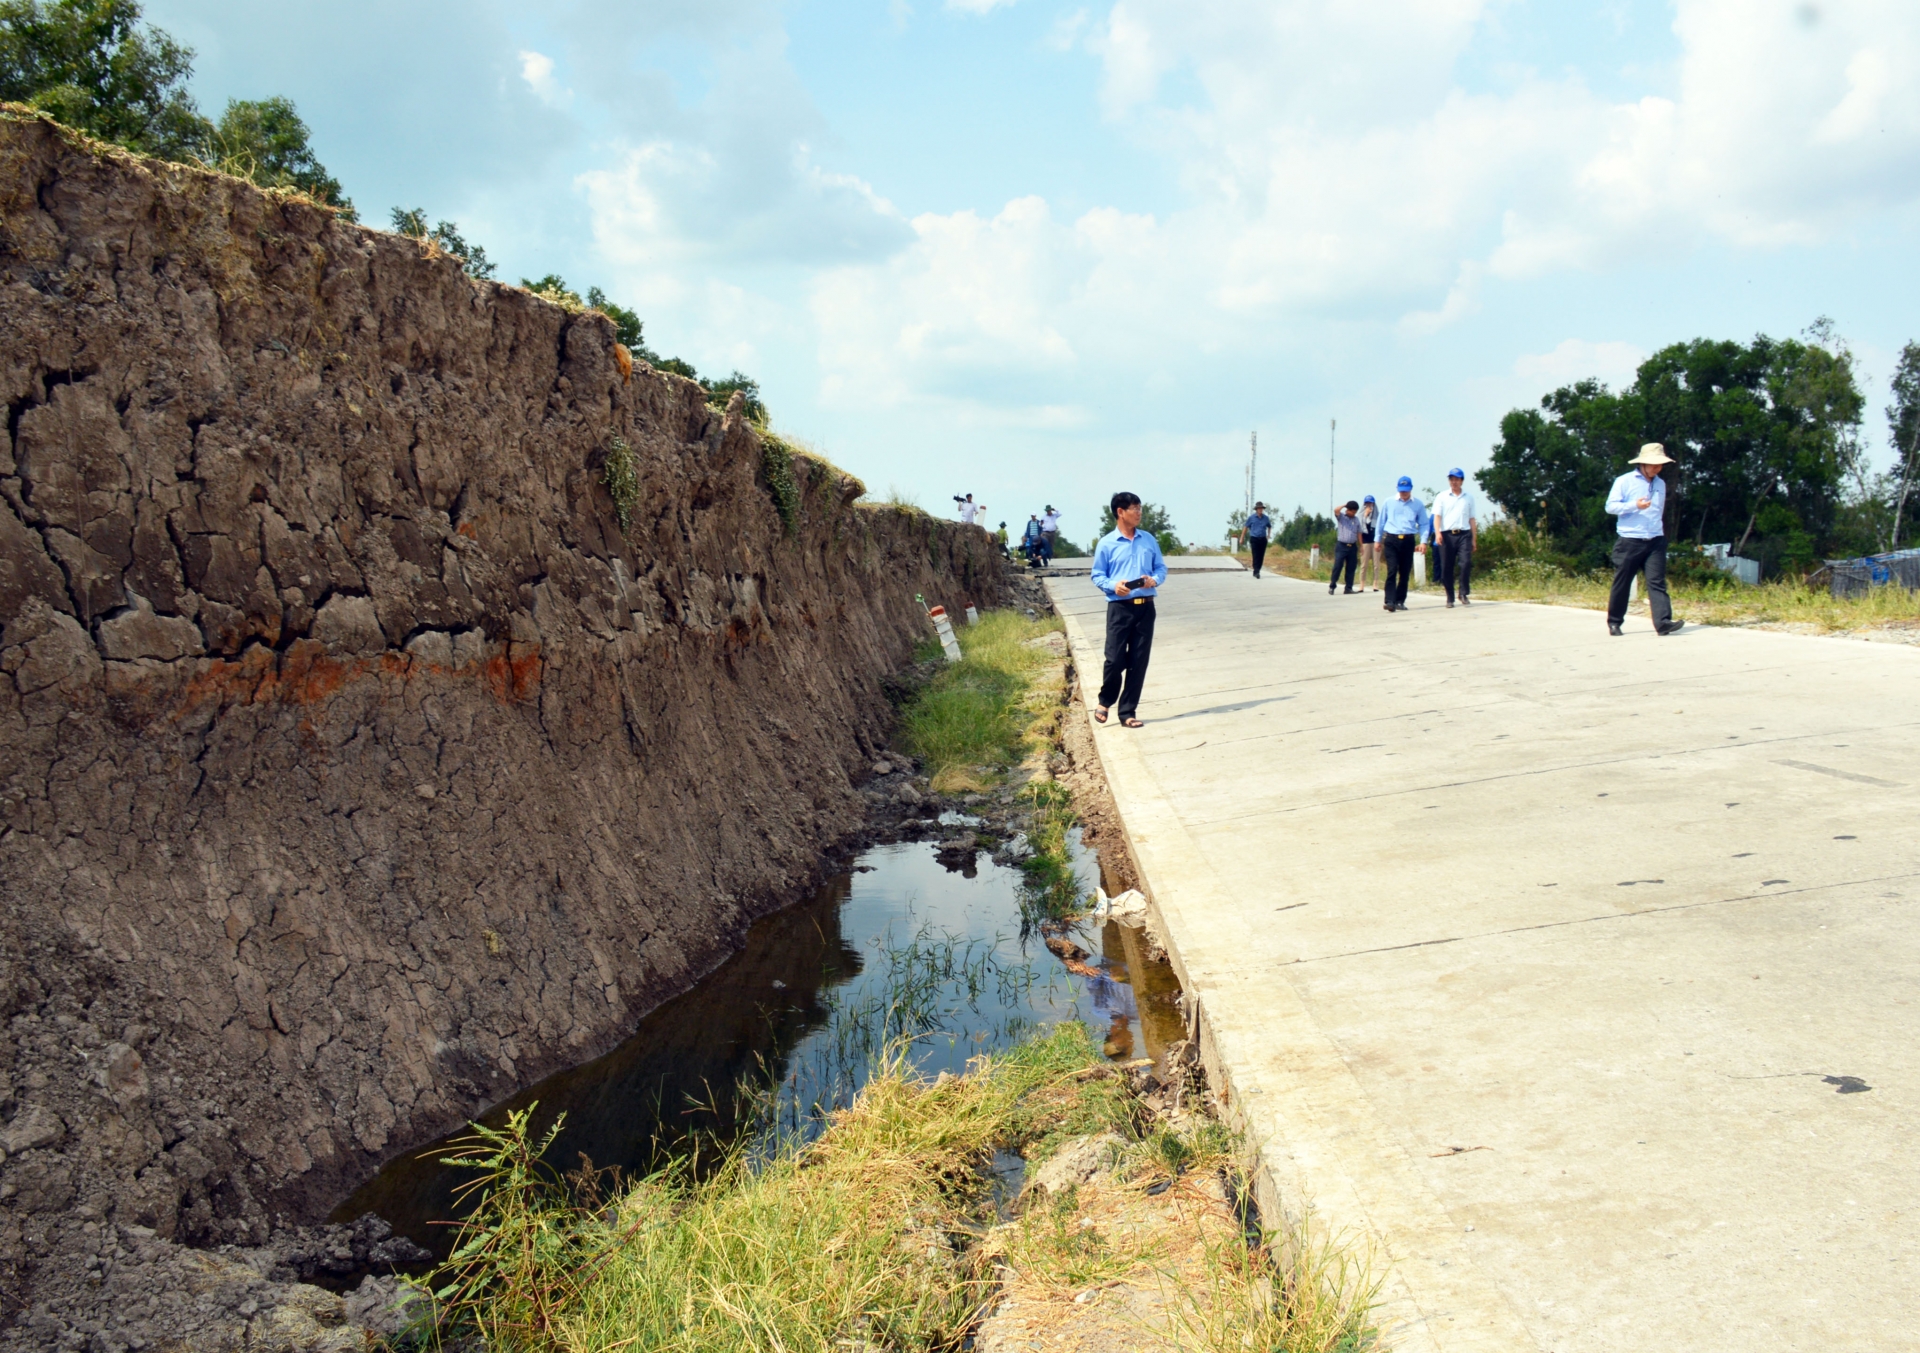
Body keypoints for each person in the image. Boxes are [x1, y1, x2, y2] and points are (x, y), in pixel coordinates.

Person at [1090, 492, 1167, 728]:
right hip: (1119, 608)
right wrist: (1114, 586)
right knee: (1114, 659)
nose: (1139, 512)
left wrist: (1153, 580)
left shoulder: (1148, 540)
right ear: (1120, 512)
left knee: (1138, 661)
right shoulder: (1106, 543)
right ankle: (1105, 700)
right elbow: (1097, 575)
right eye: (1134, 508)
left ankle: (1127, 712)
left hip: (1145, 608)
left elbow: (1161, 568)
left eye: (1140, 508)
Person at [1606, 444, 1683, 637]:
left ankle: (1663, 622)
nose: (1657, 468)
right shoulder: (1624, 481)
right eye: (1653, 464)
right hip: (1630, 540)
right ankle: (1614, 622)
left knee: (1657, 582)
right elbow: (1610, 507)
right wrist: (1634, 505)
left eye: (1660, 465)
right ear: (1642, 463)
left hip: (1655, 539)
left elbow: (1659, 510)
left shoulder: (1660, 484)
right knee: (1622, 583)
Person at [1378, 476, 1430, 612]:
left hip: (1408, 540)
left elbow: (1424, 524)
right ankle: (1390, 601)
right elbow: (1381, 522)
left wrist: (1423, 541)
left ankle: (1400, 601)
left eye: (1406, 491)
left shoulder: (1418, 504)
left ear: (1411, 489)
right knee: (1392, 570)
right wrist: (1377, 540)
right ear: (1397, 489)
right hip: (1391, 539)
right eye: (1401, 491)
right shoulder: (1389, 502)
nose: (1404, 493)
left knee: (1405, 572)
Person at [1432, 468, 1478, 608]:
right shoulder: (1442, 496)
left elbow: (1472, 519)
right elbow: (1437, 517)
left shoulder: (1468, 498)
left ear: (1462, 481)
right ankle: (1450, 596)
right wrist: (1438, 533)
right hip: (1446, 535)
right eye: (1452, 479)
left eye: (1457, 479)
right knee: (1446, 566)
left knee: (1465, 563)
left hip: (1464, 534)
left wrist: (1474, 539)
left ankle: (1463, 593)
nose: (1454, 482)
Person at [1329, 501, 1361, 594]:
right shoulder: (1341, 517)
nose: (1353, 514)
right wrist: (1345, 505)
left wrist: (1361, 545)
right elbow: (1336, 510)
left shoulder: (1356, 520)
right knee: (1338, 566)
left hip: (1352, 546)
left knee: (1351, 567)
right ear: (1348, 510)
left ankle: (1348, 588)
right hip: (1342, 546)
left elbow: (1359, 533)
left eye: (1355, 512)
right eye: (1352, 511)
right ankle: (1332, 586)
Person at [1238, 501, 1273, 577]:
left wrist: (1268, 535)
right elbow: (1245, 527)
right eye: (1259, 508)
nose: (1260, 510)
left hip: (1263, 539)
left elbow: (1269, 526)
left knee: (1261, 556)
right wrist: (1242, 538)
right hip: (1254, 539)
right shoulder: (1251, 518)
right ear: (1256, 509)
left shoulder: (1266, 518)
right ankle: (1256, 571)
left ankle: (1257, 569)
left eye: (1261, 508)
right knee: (1255, 555)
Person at [1358, 494, 1380, 591]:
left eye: (1371, 503)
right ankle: (1362, 585)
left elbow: (1380, 528)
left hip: (1375, 541)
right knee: (1364, 565)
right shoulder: (1360, 515)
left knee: (1376, 564)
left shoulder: (1377, 515)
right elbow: (1359, 529)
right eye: (1367, 503)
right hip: (1365, 542)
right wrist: (1365, 515)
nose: (1369, 505)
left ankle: (1375, 584)